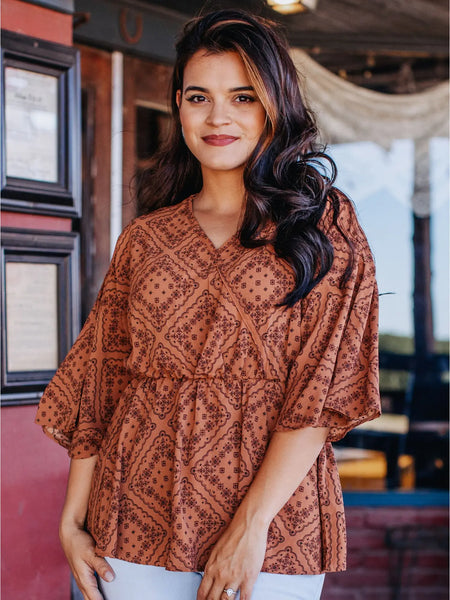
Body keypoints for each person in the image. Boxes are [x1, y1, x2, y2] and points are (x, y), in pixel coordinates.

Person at [35, 8, 381, 600]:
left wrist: (249, 528)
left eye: (243, 97)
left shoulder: (323, 226)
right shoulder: (147, 238)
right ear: (178, 104)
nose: (218, 116)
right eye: (199, 96)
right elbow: (101, 380)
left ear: (275, 107)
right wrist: (72, 517)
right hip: (132, 516)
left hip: (273, 528)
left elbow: (320, 393)